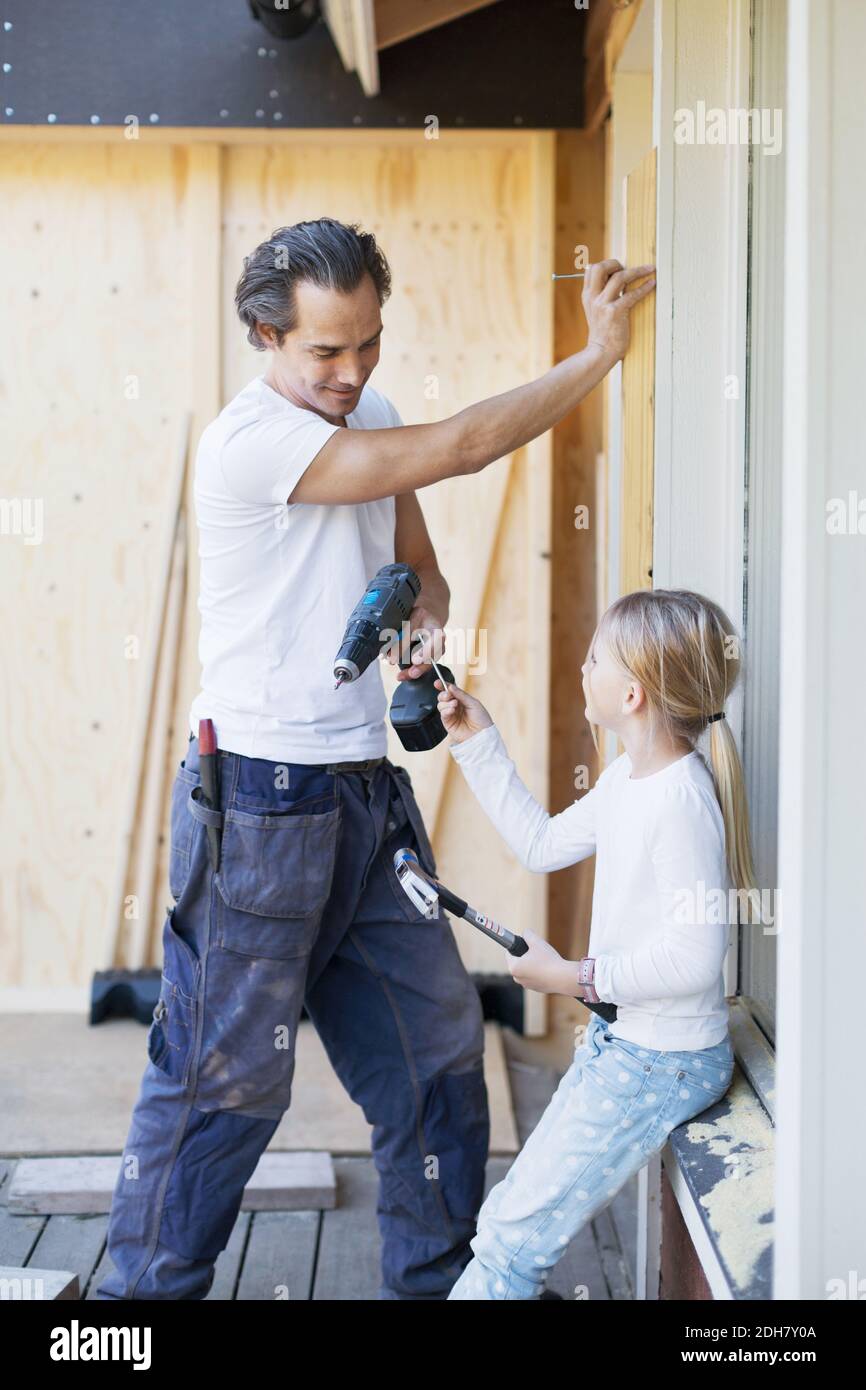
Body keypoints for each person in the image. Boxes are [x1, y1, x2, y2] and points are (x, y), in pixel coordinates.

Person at [96, 218, 654, 1301]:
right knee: (227, 1079)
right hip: (258, 804)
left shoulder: (370, 411)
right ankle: (137, 1310)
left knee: (438, 1053)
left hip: (363, 798)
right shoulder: (250, 440)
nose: (352, 373)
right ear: (265, 334)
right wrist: (594, 358)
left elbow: (420, 570)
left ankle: (437, 1278)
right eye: (324, 352)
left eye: (367, 344)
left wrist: (420, 625)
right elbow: (461, 449)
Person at [435, 588, 757, 1300]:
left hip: (660, 1061)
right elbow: (541, 843)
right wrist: (477, 742)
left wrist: (571, 977)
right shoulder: (632, 781)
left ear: (634, 693)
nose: (583, 669)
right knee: (505, 1234)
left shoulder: (679, 799)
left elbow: (695, 957)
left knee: (508, 1248)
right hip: (631, 1048)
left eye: (593, 659)